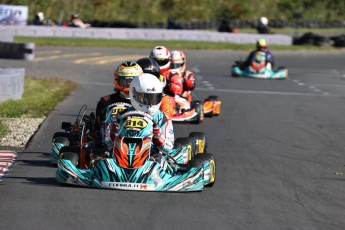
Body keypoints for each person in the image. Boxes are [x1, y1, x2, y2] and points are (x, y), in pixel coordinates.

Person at [104, 73, 175, 169]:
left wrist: (158, 138)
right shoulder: (120, 115)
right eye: (146, 98)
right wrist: (113, 132)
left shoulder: (162, 119)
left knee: (160, 160)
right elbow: (107, 142)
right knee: (105, 155)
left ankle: (154, 176)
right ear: (134, 95)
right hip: (120, 155)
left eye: (154, 98)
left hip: (150, 158)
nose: (150, 103)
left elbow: (169, 147)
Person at [95, 61, 143, 132]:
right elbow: (99, 126)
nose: (129, 84)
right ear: (117, 79)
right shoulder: (106, 101)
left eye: (132, 81)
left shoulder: (144, 101)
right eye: (125, 81)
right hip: (111, 136)